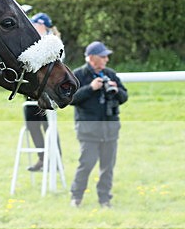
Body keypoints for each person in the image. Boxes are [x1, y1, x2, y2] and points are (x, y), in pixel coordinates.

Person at [70, 41, 129, 208]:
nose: (107, 59)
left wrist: (117, 91)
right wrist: (91, 88)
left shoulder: (110, 74)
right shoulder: (79, 75)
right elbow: (71, 99)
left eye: (106, 56)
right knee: (86, 164)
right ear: (91, 58)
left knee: (107, 167)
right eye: (103, 56)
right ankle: (76, 197)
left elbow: (125, 97)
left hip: (110, 129)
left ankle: (105, 199)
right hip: (88, 130)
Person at [24, 12, 63, 172]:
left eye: (35, 24)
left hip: (48, 89)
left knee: (49, 125)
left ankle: (55, 159)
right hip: (32, 89)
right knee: (31, 124)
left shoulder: (54, 42)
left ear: (42, 25)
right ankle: (42, 158)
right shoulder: (33, 41)